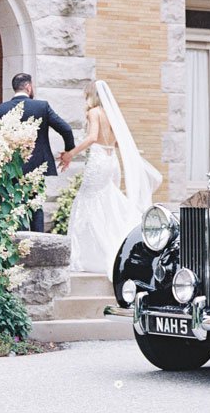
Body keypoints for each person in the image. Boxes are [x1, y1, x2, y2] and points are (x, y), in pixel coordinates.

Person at [61, 81, 162, 278]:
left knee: (88, 201)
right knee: (108, 200)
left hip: (99, 159)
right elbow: (117, 142)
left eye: (86, 96)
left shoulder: (94, 113)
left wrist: (70, 154)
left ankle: (96, 253)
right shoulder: (111, 115)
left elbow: (91, 138)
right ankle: (123, 236)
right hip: (112, 160)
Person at [0, 73, 75, 233]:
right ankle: (39, 245)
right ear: (28, 87)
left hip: (11, 169)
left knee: (15, 206)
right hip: (36, 168)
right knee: (36, 207)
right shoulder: (42, 107)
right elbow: (66, 129)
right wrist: (68, 152)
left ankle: (19, 246)